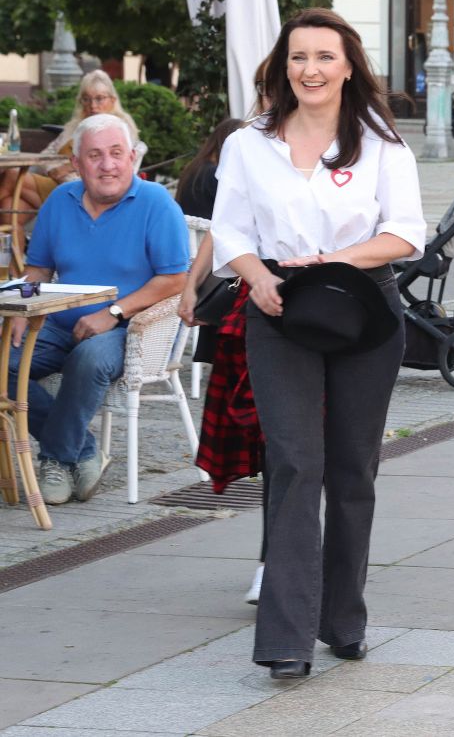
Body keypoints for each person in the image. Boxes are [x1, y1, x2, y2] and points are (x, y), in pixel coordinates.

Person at [211, 8, 426, 679]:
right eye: (299, 56)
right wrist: (257, 277)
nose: (311, 69)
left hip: (363, 309)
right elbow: (229, 232)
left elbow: (407, 234)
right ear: (284, 66)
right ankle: (286, 638)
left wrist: (333, 262)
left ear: (348, 67)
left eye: (324, 57)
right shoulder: (248, 145)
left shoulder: (382, 144)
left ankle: (343, 619)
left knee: (352, 468)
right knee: (294, 463)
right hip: (279, 308)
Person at [9, 113, 188, 506]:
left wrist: (114, 313)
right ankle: (85, 450)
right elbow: (37, 270)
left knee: (89, 358)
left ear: (132, 157)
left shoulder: (156, 203)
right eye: (95, 155)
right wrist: (22, 308)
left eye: (116, 153)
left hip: (131, 328)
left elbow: (175, 279)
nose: (107, 165)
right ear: (76, 163)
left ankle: (56, 459)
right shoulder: (60, 201)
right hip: (57, 322)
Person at [174, 116, 268, 606]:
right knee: (273, 445)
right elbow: (225, 223)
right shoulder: (249, 143)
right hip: (255, 307)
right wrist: (192, 284)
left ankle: (307, 558)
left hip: (328, 304)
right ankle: (274, 562)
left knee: (316, 453)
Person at [0, 70, 144, 218]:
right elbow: (46, 155)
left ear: (113, 100)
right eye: (86, 99)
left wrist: (69, 168)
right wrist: (54, 170)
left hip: (80, 191)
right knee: (8, 208)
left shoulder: (121, 128)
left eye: (99, 98)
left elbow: (118, 167)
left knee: (12, 175)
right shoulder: (73, 127)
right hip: (52, 184)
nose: (93, 105)